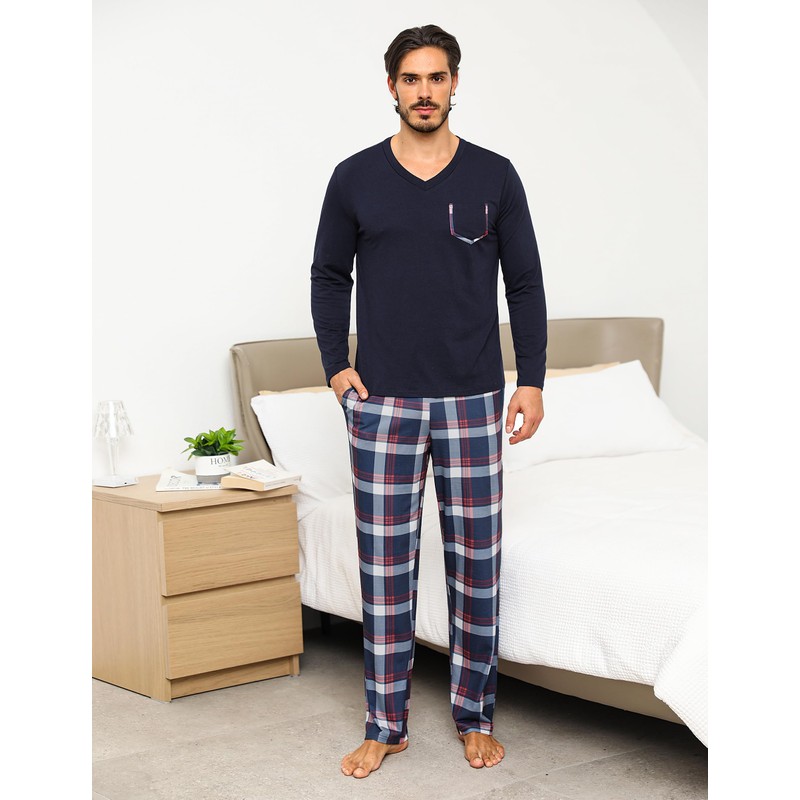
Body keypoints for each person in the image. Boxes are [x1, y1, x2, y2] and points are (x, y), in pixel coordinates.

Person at [310, 23, 547, 779]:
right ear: (391, 86)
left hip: (474, 399)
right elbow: (328, 276)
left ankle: (475, 716)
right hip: (382, 404)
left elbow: (525, 283)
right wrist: (336, 368)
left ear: (454, 84)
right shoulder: (354, 177)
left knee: (477, 567)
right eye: (410, 79)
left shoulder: (495, 175)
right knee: (385, 571)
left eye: (436, 77)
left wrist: (532, 377)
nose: (424, 92)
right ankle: (386, 724)